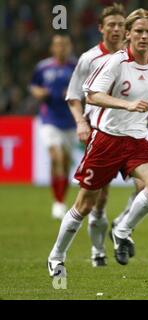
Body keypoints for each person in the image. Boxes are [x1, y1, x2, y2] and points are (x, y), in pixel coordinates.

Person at [47, 8, 148, 277]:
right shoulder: (114, 62)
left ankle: (122, 229)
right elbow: (91, 95)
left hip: (136, 141)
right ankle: (56, 256)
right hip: (106, 140)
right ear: (128, 35)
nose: (144, 36)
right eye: (138, 31)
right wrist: (126, 105)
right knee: (86, 205)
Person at [65, 3, 144, 267]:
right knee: (100, 197)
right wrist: (80, 123)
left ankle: (122, 224)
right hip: (100, 131)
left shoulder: (134, 57)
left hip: (131, 131)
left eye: (121, 24)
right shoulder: (89, 59)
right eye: (111, 25)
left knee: (146, 185)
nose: (117, 29)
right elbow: (74, 96)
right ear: (101, 28)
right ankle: (98, 251)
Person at [30, 34, 77, 220]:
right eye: (58, 45)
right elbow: (34, 86)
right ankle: (57, 202)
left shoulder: (76, 67)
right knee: (55, 157)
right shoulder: (43, 67)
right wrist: (40, 93)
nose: (61, 48)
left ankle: (61, 199)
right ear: (52, 48)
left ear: (70, 47)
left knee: (65, 162)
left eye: (65, 44)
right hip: (49, 120)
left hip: (71, 122)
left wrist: (74, 93)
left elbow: (86, 89)